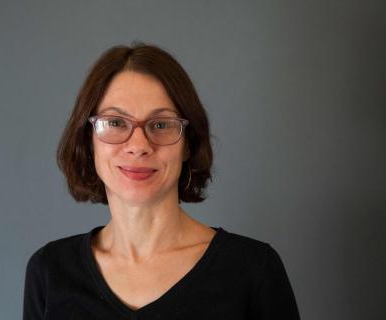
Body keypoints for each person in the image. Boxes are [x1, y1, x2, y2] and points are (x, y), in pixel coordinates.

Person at [22, 42, 300, 320]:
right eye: (116, 123)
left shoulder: (253, 271)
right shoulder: (49, 272)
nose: (139, 145)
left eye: (161, 124)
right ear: (89, 140)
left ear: (188, 145)